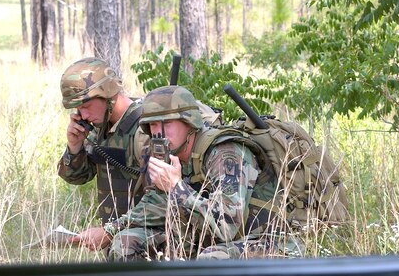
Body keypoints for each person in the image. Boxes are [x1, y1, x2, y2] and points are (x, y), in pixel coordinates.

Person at [73, 85, 298, 260]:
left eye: (167, 123)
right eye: (152, 126)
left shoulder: (226, 153)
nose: (158, 132)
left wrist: (176, 187)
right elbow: (154, 203)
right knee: (125, 244)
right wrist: (110, 231)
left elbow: (227, 226)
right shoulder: (171, 153)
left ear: (189, 122)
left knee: (211, 260)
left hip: (266, 240)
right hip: (209, 237)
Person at [57, 57, 148, 224]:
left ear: (106, 92)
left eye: (85, 106)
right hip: (116, 238)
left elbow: (162, 199)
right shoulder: (98, 130)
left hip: (146, 237)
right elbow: (76, 178)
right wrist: (74, 146)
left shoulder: (146, 127)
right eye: (78, 108)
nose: (82, 115)